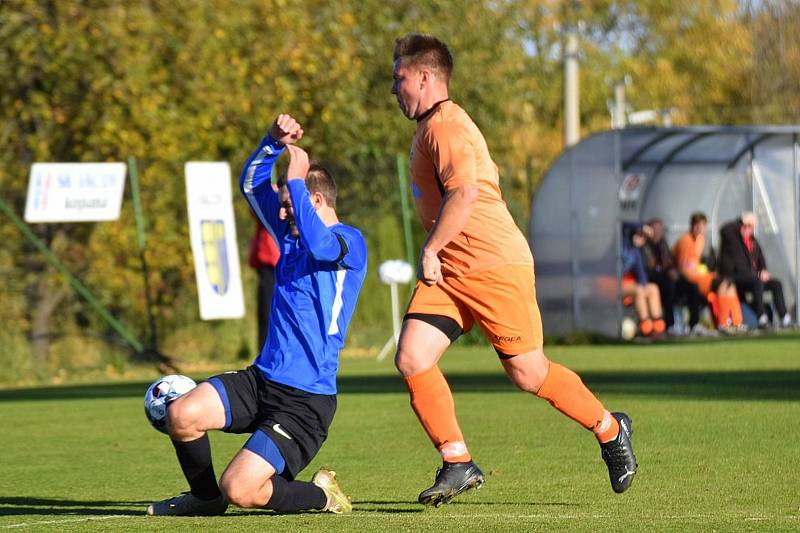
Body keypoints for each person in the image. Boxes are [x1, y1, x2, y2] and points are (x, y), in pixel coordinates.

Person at [390, 33, 637, 506]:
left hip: (493, 265)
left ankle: (610, 428)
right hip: (453, 271)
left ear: (424, 77)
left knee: (528, 373)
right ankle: (457, 460)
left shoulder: (446, 126)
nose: (392, 87)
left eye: (398, 77)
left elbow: (464, 195)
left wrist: (429, 249)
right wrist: (439, 253)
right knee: (413, 357)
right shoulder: (429, 128)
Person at [147, 114, 368, 516]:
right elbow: (251, 185)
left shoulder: (349, 243)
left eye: (290, 205)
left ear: (315, 201)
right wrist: (272, 141)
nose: (282, 215)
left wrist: (295, 181)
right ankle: (205, 499)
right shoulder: (289, 235)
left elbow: (321, 246)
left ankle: (322, 497)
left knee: (242, 488)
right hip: (261, 380)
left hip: (306, 401)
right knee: (182, 414)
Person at [672, 212, 744, 333]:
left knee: (730, 284)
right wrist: (700, 272)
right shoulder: (685, 240)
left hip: (700, 276)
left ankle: (737, 322)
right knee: (722, 284)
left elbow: (698, 264)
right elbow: (685, 269)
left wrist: (703, 270)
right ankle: (723, 322)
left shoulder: (701, 240)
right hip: (690, 278)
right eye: (698, 226)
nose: (701, 229)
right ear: (692, 226)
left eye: (703, 226)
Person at [719, 211, 792, 328]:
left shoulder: (753, 242)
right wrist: (741, 222)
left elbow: (761, 260)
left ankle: (784, 317)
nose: (749, 229)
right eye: (746, 225)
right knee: (757, 282)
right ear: (741, 225)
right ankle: (762, 318)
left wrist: (763, 271)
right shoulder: (732, 239)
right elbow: (724, 229)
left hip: (753, 277)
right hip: (736, 277)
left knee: (776, 284)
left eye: (751, 226)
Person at [641, 218, 711, 336]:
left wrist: (672, 270)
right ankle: (670, 325)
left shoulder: (663, 244)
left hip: (670, 276)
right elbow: (648, 268)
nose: (658, 232)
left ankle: (694, 324)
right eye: (656, 229)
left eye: (660, 229)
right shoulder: (644, 245)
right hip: (655, 279)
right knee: (669, 285)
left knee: (692, 287)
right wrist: (666, 272)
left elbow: (670, 261)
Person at [621, 223, 666, 337]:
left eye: (644, 237)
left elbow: (641, 275)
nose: (641, 238)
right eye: (639, 234)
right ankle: (646, 327)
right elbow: (623, 225)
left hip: (624, 285)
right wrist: (642, 227)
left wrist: (645, 285)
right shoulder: (623, 242)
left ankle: (658, 326)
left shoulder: (636, 252)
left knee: (652, 288)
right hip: (608, 282)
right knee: (639, 290)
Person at [249, 220, 280, 350]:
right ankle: (264, 354)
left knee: (269, 313)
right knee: (265, 314)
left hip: (275, 263)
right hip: (267, 265)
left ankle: (267, 353)